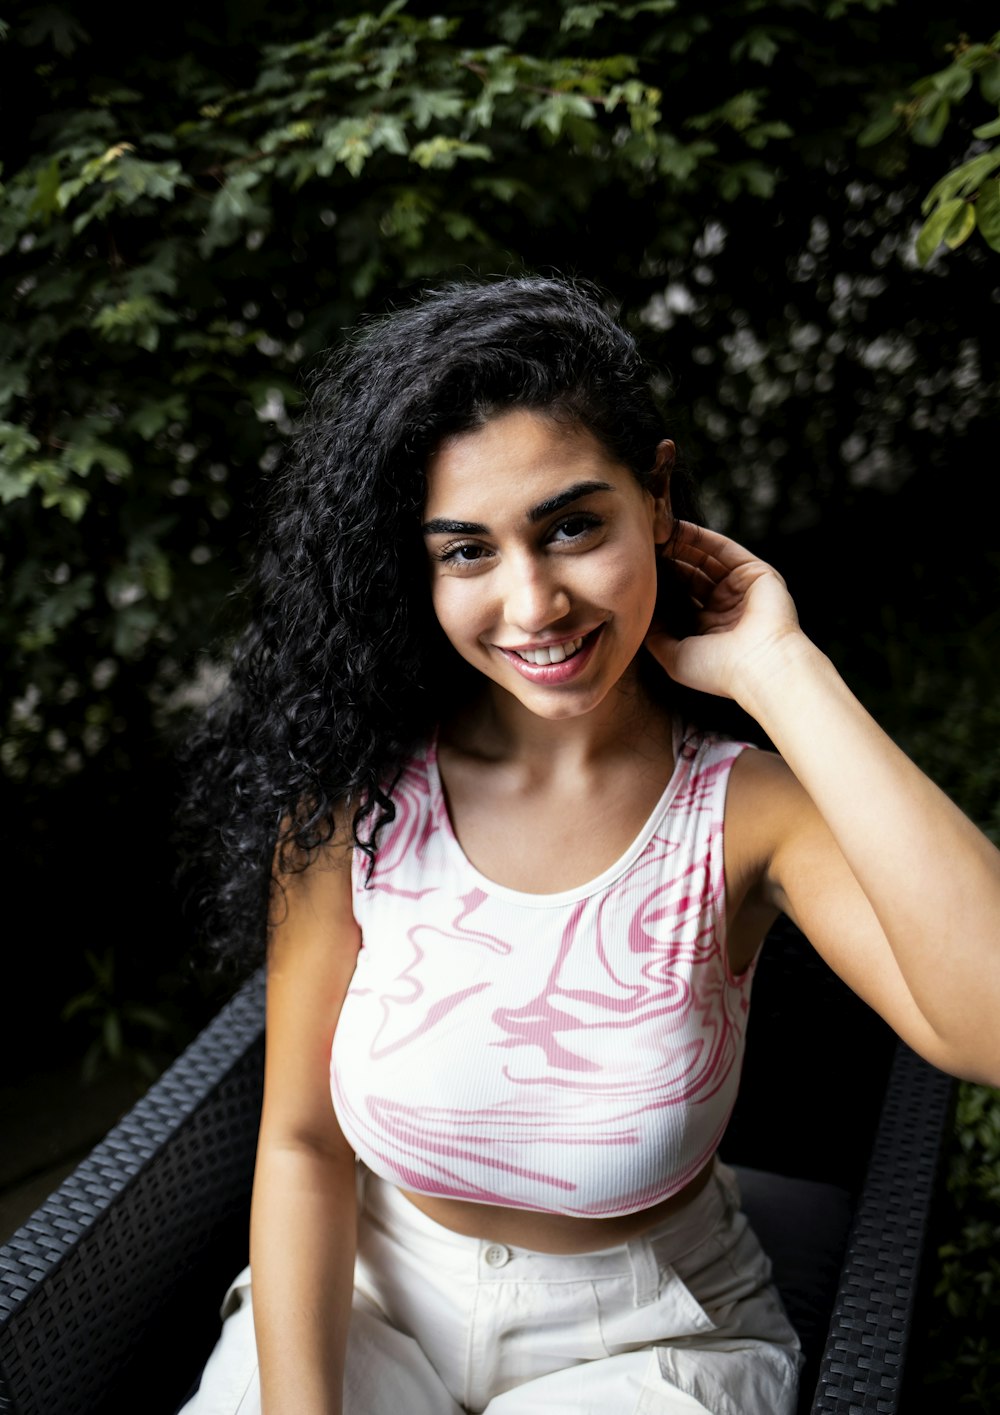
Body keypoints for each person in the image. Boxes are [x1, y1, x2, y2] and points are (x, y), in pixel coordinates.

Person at [177, 274, 1000, 1415]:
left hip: (647, 1341)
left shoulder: (745, 813)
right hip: (367, 1300)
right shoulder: (353, 795)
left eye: (571, 526)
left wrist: (780, 669)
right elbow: (306, 1143)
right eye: (465, 551)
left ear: (655, 495)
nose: (531, 605)